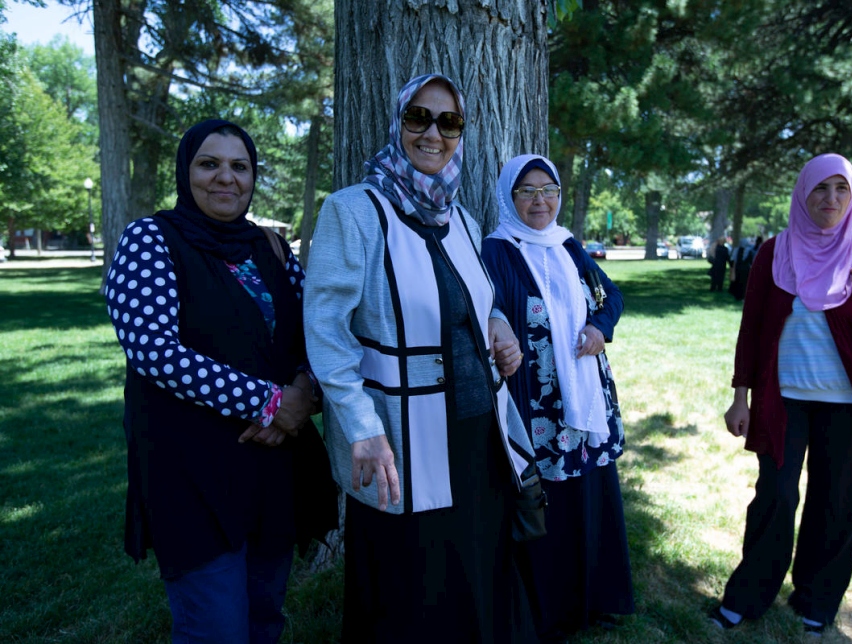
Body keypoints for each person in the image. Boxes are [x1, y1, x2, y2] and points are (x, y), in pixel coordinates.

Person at [303, 74, 539, 643]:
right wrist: (361, 427)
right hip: (397, 436)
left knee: (474, 563)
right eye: (419, 117)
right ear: (398, 122)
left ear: (461, 135)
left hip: (478, 431)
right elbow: (326, 333)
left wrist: (500, 327)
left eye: (449, 122)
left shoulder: (461, 219)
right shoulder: (353, 211)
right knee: (412, 579)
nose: (434, 133)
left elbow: (474, 302)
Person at [105, 119, 338, 643]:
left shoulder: (271, 248)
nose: (225, 178)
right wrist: (271, 403)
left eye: (240, 166)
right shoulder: (151, 240)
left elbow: (316, 331)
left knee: (264, 617)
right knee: (216, 628)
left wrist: (303, 393)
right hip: (192, 470)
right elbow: (154, 351)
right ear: (186, 172)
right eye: (209, 164)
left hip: (273, 467)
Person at [709, 153, 852, 636]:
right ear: (802, 194)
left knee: (837, 500)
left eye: (841, 189)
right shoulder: (774, 251)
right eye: (820, 189)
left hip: (847, 405)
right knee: (776, 496)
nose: (831, 199)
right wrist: (740, 396)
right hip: (781, 399)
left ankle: (817, 599)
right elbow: (752, 328)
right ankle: (748, 595)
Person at [481, 154, 635, 643]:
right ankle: (550, 612)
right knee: (548, 506)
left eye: (548, 189)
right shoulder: (497, 251)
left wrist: (598, 327)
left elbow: (610, 296)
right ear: (509, 196)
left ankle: (597, 599)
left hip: (586, 400)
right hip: (535, 403)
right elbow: (488, 312)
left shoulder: (570, 246)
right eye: (527, 191)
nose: (539, 200)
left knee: (590, 497)